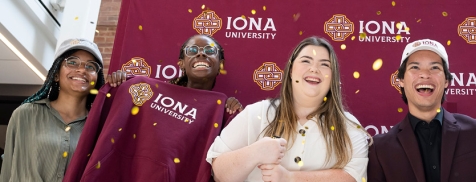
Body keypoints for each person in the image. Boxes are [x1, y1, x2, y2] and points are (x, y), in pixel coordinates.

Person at [206, 36, 370, 182]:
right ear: (291, 71)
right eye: (306, 61)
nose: (314, 69)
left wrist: (289, 177)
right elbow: (219, 173)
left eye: (324, 64)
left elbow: (354, 177)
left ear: (332, 77)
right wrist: (255, 152)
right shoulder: (257, 113)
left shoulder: (349, 127)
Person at [367, 39, 476, 182]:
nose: (425, 74)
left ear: (446, 81)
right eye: (415, 67)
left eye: (434, 68)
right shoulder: (380, 149)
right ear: (401, 80)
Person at [1, 38, 105, 181]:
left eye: (91, 66)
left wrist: (124, 87)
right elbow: (7, 171)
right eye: (72, 62)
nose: (82, 69)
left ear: (96, 79)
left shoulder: (100, 127)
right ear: (56, 74)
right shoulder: (26, 114)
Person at [106, 34, 242, 114]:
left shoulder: (223, 108)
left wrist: (233, 113)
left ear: (221, 65)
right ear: (181, 63)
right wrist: (120, 87)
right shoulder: (153, 95)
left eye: (210, 50)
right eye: (193, 50)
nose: (201, 53)